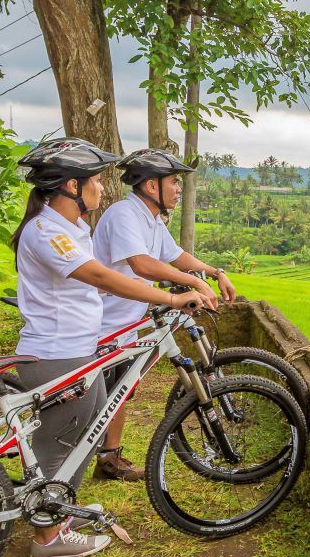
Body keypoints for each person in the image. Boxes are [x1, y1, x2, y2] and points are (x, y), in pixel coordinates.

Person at [10, 137, 207, 557]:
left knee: (85, 435)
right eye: (95, 181)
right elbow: (101, 276)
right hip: (58, 352)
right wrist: (171, 298)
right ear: (69, 186)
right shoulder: (47, 231)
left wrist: (198, 276)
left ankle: (61, 509)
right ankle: (48, 537)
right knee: (60, 445)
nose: (102, 188)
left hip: (77, 348)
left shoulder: (69, 228)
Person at [87, 148, 234, 481]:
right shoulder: (124, 214)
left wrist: (213, 271)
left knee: (122, 390)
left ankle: (109, 458)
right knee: (96, 397)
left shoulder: (150, 219)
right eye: (173, 182)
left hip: (124, 322)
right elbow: (141, 263)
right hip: (99, 323)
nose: (179, 189)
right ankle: (62, 462)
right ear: (151, 186)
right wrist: (187, 286)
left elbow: (176, 255)